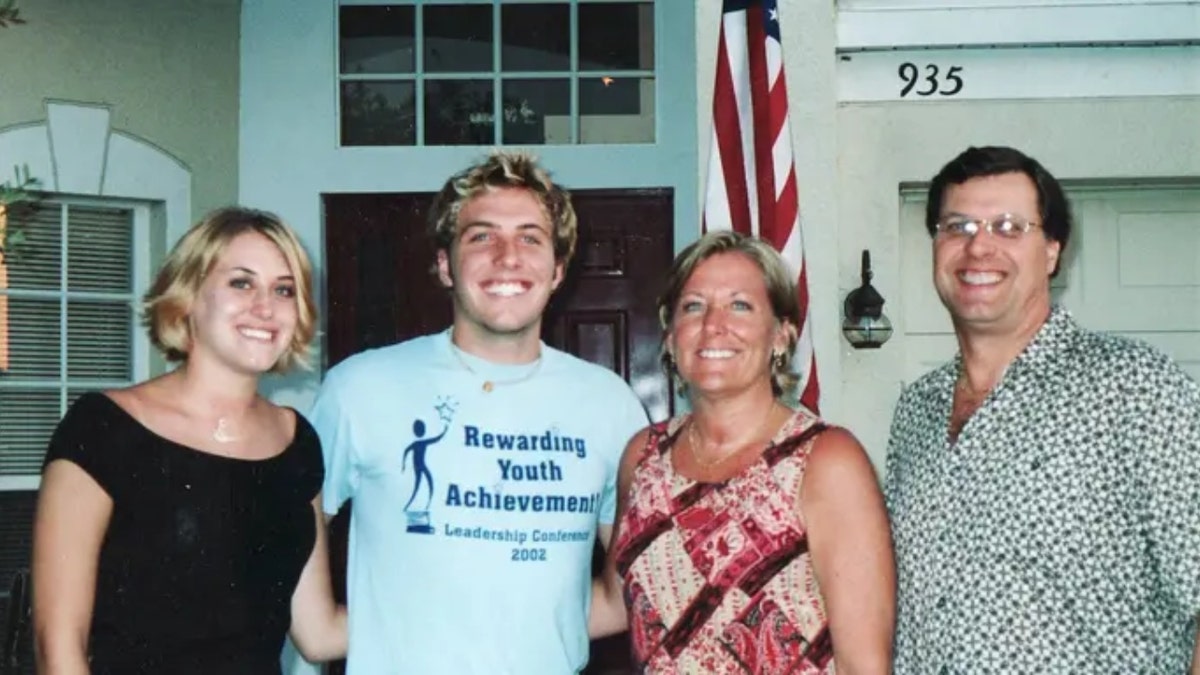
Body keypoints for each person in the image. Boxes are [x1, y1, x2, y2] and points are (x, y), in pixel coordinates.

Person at [309, 150, 648, 673]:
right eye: (481, 236)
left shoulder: (609, 404)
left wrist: (530, 626)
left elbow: (634, 587)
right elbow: (293, 513)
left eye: (530, 238)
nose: (507, 256)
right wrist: (320, 630)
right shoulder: (361, 387)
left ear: (558, 269)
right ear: (445, 264)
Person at [885, 145, 1200, 672]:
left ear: (1053, 251)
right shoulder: (916, 410)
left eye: (1009, 227)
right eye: (956, 226)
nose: (978, 246)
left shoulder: (1134, 387)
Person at [32, 207, 347, 674]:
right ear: (188, 297)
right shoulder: (104, 428)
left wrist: (460, 599)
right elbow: (57, 644)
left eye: (284, 289)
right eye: (242, 282)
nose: (266, 306)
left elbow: (318, 633)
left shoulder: (297, 443)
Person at [590, 230, 895, 673]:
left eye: (740, 305)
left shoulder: (826, 460)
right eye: (693, 306)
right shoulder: (643, 456)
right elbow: (618, 605)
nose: (713, 325)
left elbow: (865, 665)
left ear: (781, 336)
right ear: (671, 338)